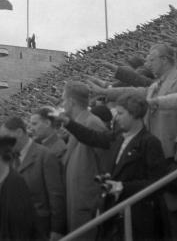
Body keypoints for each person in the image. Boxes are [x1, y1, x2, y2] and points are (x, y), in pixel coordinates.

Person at [88, 43, 177, 238]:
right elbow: (135, 90)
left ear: (165, 59)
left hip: (172, 155)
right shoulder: (155, 85)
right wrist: (106, 92)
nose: (148, 62)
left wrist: (156, 102)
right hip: (157, 157)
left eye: (151, 59)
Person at [55, 92, 167, 241]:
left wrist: (122, 187)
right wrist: (69, 123)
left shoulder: (150, 143)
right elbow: (93, 137)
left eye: (120, 113)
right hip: (115, 216)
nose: (116, 117)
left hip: (137, 218)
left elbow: (158, 183)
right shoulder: (119, 136)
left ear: (134, 114)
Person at [0, 117, 66, 240]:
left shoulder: (45, 156)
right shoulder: (11, 158)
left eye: (6, 137)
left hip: (39, 229)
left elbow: (56, 196)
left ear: (19, 132)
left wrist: (57, 229)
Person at [62, 81, 110, 239]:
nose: (62, 104)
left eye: (63, 100)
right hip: (77, 200)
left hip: (87, 203)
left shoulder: (92, 123)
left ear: (71, 102)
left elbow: (105, 166)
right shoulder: (79, 123)